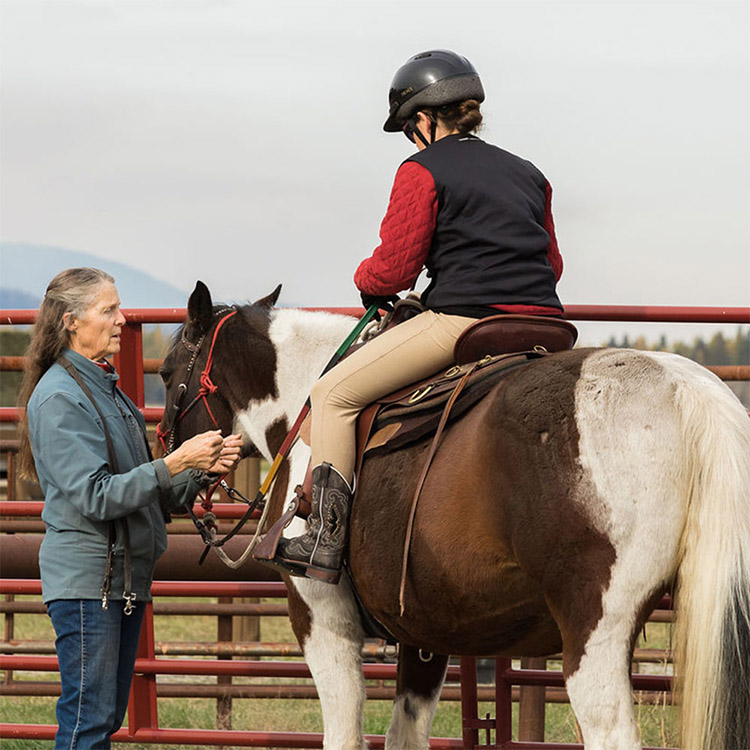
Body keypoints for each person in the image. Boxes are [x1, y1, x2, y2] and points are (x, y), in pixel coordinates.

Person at [265, 49, 563, 584]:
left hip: (466, 323)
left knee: (333, 394)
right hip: (548, 326)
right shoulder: (530, 174)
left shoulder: (421, 170)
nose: (409, 137)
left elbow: (393, 272)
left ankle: (324, 540)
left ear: (424, 120)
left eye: (408, 127)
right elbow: (553, 263)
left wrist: (364, 279)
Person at [16, 267, 243, 750]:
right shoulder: (59, 398)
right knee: (88, 721)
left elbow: (150, 494)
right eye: (109, 310)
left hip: (119, 579)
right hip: (88, 585)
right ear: (71, 322)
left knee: (102, 718)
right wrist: (176, 460)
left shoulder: (110, 393)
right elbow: (97, 495)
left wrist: (204, 469)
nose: (123, 319)